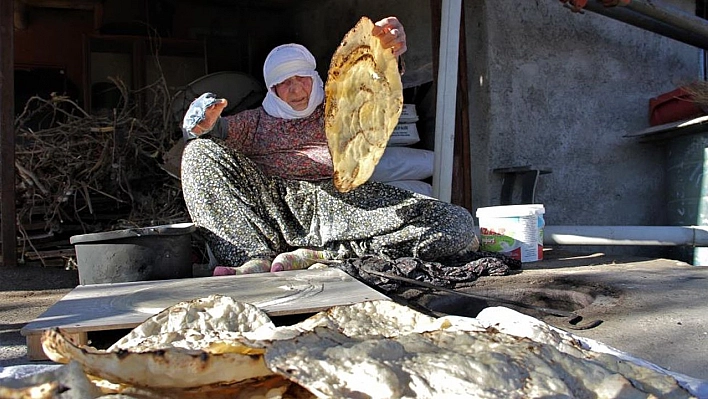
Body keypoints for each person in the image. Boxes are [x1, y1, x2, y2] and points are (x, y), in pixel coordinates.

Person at [180, 16, 477, 276]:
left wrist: (388, 51)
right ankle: (252, 258)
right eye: (283, 83)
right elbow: (216, 133)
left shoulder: (340, 109)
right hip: (275, 210)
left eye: (301, 78)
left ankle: (329, 256)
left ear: (314, 76)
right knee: (197, 152)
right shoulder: (256, 121)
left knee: (455, 223)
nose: (295, 90)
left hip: (339, 207)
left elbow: (374, 84)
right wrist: (203, 125)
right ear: (271, 89)